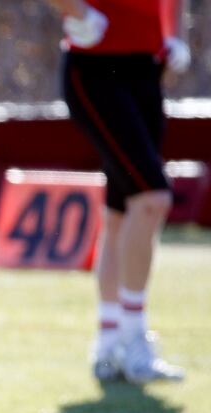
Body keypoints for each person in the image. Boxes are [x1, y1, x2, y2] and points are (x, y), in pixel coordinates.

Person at [46, 0, 189, 384]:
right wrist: (76, 11)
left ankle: (109, 343)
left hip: (145, 68)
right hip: (94, 67)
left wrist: (174, 34)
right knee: (151, 197)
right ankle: (132, 335)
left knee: (122, 209)